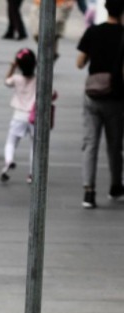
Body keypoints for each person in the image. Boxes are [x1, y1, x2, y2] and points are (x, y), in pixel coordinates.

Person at [76, 0, 124, 209]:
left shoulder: (93, 32)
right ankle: (115, 186)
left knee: (90, 144)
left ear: (105, 8)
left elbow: (79, 63)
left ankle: (89, 191)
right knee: (114, 145)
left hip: (93, 95)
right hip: (116, 97)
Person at [1, 48, 37, 183]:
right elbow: (51, 93)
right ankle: (32, 174)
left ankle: (8, 161)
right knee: (34, 146)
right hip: (34, 116)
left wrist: (12, 67)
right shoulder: (38, 80)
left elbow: (6, 81)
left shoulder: (16, 78)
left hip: (18, 116)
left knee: (11, 142)